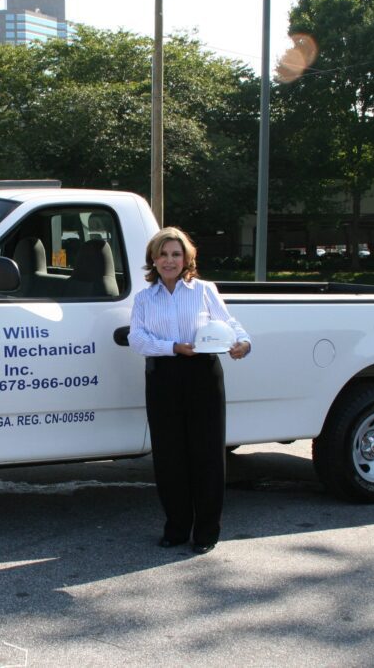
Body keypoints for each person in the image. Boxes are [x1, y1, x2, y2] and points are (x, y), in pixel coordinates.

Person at [128, 227, 251, 555]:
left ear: (187, 258)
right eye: (163, 254)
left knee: (207, 454)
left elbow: (229, 324)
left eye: (176, 254)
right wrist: (172, 348)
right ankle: (177, 527)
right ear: (153, 260)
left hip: (202, 376)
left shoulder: (204, 291)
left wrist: (243, 343)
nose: (169, 260)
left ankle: (207, 531)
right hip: (163, 376)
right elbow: (137, 340)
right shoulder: (143, 298)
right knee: (169, 456)